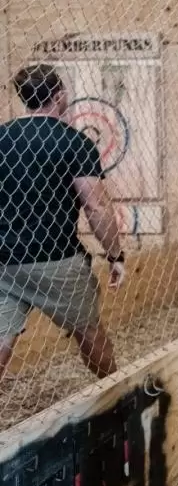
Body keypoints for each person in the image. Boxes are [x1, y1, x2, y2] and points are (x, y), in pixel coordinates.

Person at [0, 64, 126, 382]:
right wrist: (115, 256)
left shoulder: (3, 138)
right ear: (59, 96)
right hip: (56, 258)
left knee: (2, 339)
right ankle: (118, 398)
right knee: (89, 331)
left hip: (4, 260)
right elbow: (96, 207)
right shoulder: (73, 143)